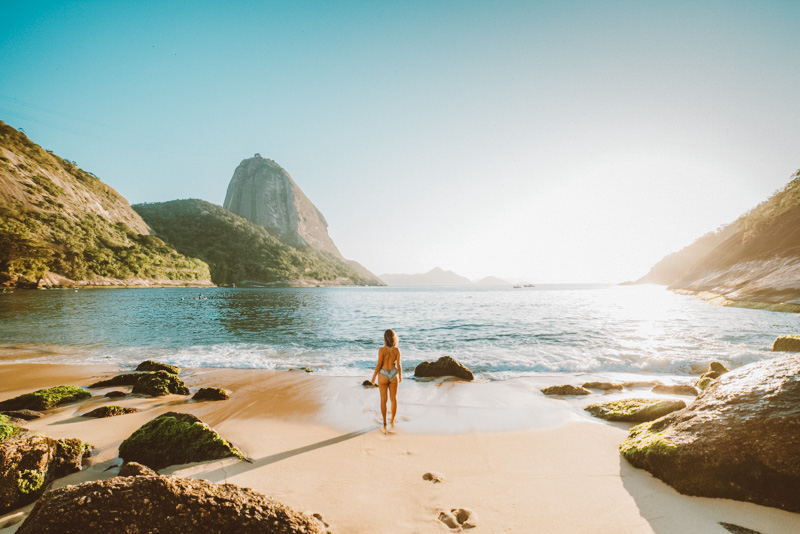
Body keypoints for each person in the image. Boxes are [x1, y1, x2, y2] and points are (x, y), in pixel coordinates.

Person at [370, 329, 401, 433]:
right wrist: (400, 376)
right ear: (394, 338)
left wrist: (374, 377)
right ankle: (392, 419)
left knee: (383, 399)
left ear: (385, 338)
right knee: (393, 399)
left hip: (383, 374)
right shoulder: (397, 350)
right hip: (393, 374)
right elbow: (399, 365)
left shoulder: (381, 350)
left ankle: (384, 421)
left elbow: (379, 364)